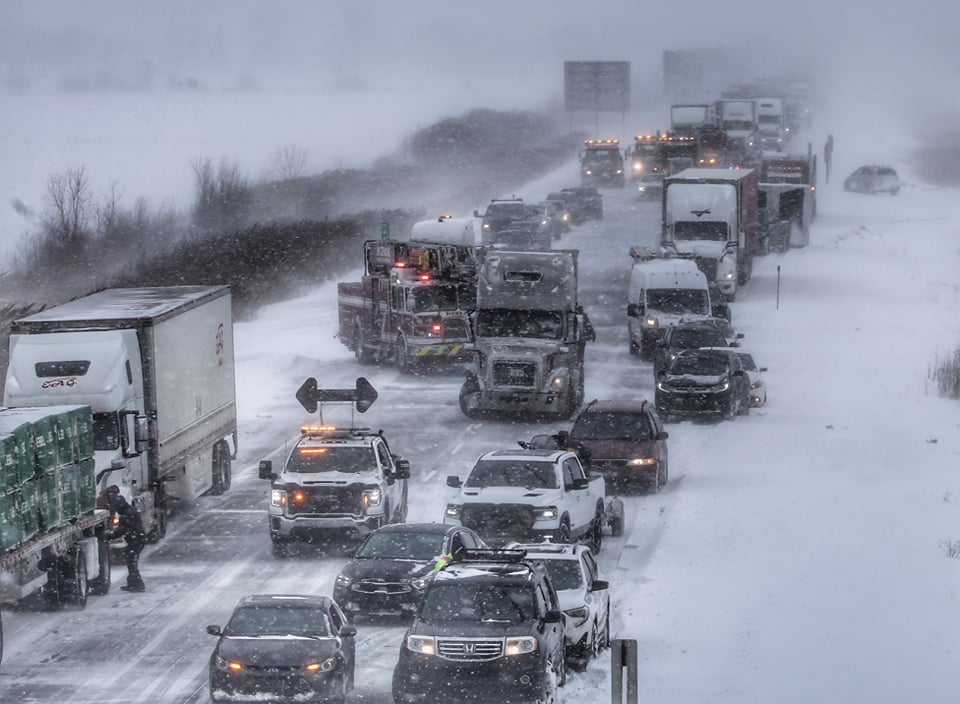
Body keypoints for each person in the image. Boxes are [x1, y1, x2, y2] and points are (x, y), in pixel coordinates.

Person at [103, 485, 147, 592]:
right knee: (131, 561)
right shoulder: (131, 511)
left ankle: (137, 584)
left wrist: (109, 536)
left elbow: (122, 530)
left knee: (131, 562)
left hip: (135, 540)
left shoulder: (126, 515)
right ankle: (133, 583)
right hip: (138, 539)